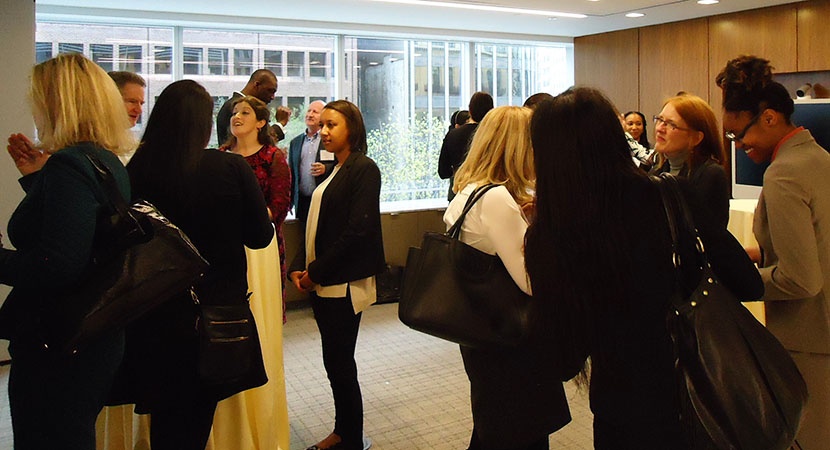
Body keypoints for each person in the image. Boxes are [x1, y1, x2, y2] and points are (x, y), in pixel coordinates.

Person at [525, 87, 763, 449]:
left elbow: (562, 360)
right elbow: (748, 284)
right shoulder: (671, 195)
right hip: (700, 389)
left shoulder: (552, 233)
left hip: (622, 406)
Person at [120, 80, 274, 450]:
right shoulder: (229, 167)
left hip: (151, 313)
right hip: (212, 315)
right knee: (195, 417)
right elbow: (259, 236)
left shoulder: (135, 170)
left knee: (166, 417)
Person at [0, 52, 135, 450]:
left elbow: (57, 264)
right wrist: (38, 181)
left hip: (60, 341)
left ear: (58, 103)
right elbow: (82, 236)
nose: (34, 108)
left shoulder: (70, 165)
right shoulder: (103, 161)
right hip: (93, 334)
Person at [716, 55, 830, 448]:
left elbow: (801, 278)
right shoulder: (818, 159)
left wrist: (736, 282)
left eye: (738, 134)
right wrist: (758, 254)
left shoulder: (783, 173)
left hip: (808, 339)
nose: (738, 145)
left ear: (768, 117)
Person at [444, 106, 570, 450]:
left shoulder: (470, 190)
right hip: (509, 340)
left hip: (482, 331)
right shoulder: (497, 198)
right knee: (517, 432)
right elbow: (532, 279)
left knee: (491, 427)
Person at [289, 100, 385, 450]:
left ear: (353, 130)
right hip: (324, 281)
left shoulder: (363, 168)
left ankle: (349, 436)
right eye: (323, 125)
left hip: (342, 284)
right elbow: (316, 227)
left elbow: (357, 232)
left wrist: (314, 273)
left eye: (333, 126)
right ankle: (345, 432)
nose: (324, 132)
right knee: (336, 361)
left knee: (341, 362)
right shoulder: (335, 169)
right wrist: (300, 267)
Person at [221, 95, 292, 322]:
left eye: (244, 112)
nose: (237, 117)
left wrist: (249, 221)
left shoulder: (272, 157)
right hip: (226, 243)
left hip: (261, 242)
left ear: (261, 123)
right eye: (234, 113)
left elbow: (280, 205)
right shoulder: (220, 156)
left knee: (262, 309)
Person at [649, 94, 730, 228]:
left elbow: (708, 234)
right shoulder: (656, 171)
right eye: (659, 119)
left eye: (671, 124)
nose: (659, 129)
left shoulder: (710, 175)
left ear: (696, 138)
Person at [438, 91, 494, 201]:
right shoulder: (497, 135)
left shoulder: (453, 135)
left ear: (470, 111)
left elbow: (443, 172)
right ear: (491, 111)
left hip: (459, 191)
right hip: (489, 192)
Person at [288, 100, 336, 223]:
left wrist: (326, 169)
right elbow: (292, 173)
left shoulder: (330, 140)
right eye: (309, 111)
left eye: (315, 112)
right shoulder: (295, 142)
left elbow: (341, 165)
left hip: (324, 200)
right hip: (302, 202)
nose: (310, 114)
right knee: (305, 239)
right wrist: (289, 200)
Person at [216, 69, 278, 146]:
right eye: (270, 91)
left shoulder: (239, 106)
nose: (272, 97)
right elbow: (255, 141)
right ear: (257, 85)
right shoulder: (233, 107)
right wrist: (280, 124)